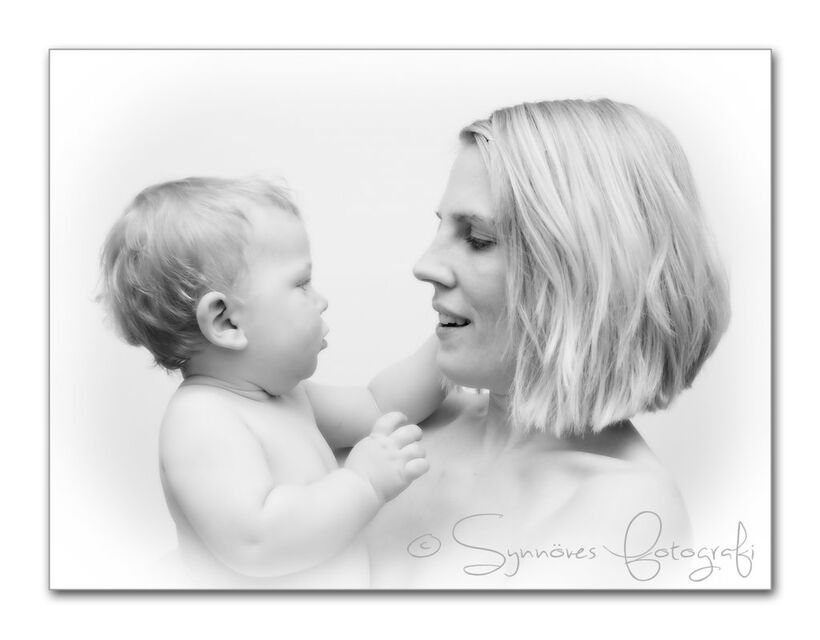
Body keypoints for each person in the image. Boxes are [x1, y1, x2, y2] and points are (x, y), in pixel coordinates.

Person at [366, 99, 731, 588]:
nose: (425, 265)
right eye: (441, 228)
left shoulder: (625, 515)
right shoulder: (410, 421)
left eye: (477, 237)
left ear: (582, 276)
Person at [98, 177, 445, 588]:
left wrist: (448, 345)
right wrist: (363, 482)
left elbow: (376, 405)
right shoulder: (201, 420)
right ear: (226, 321)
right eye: (301, 283)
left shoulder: (286, 398)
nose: (322, 300)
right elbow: (257, 542)